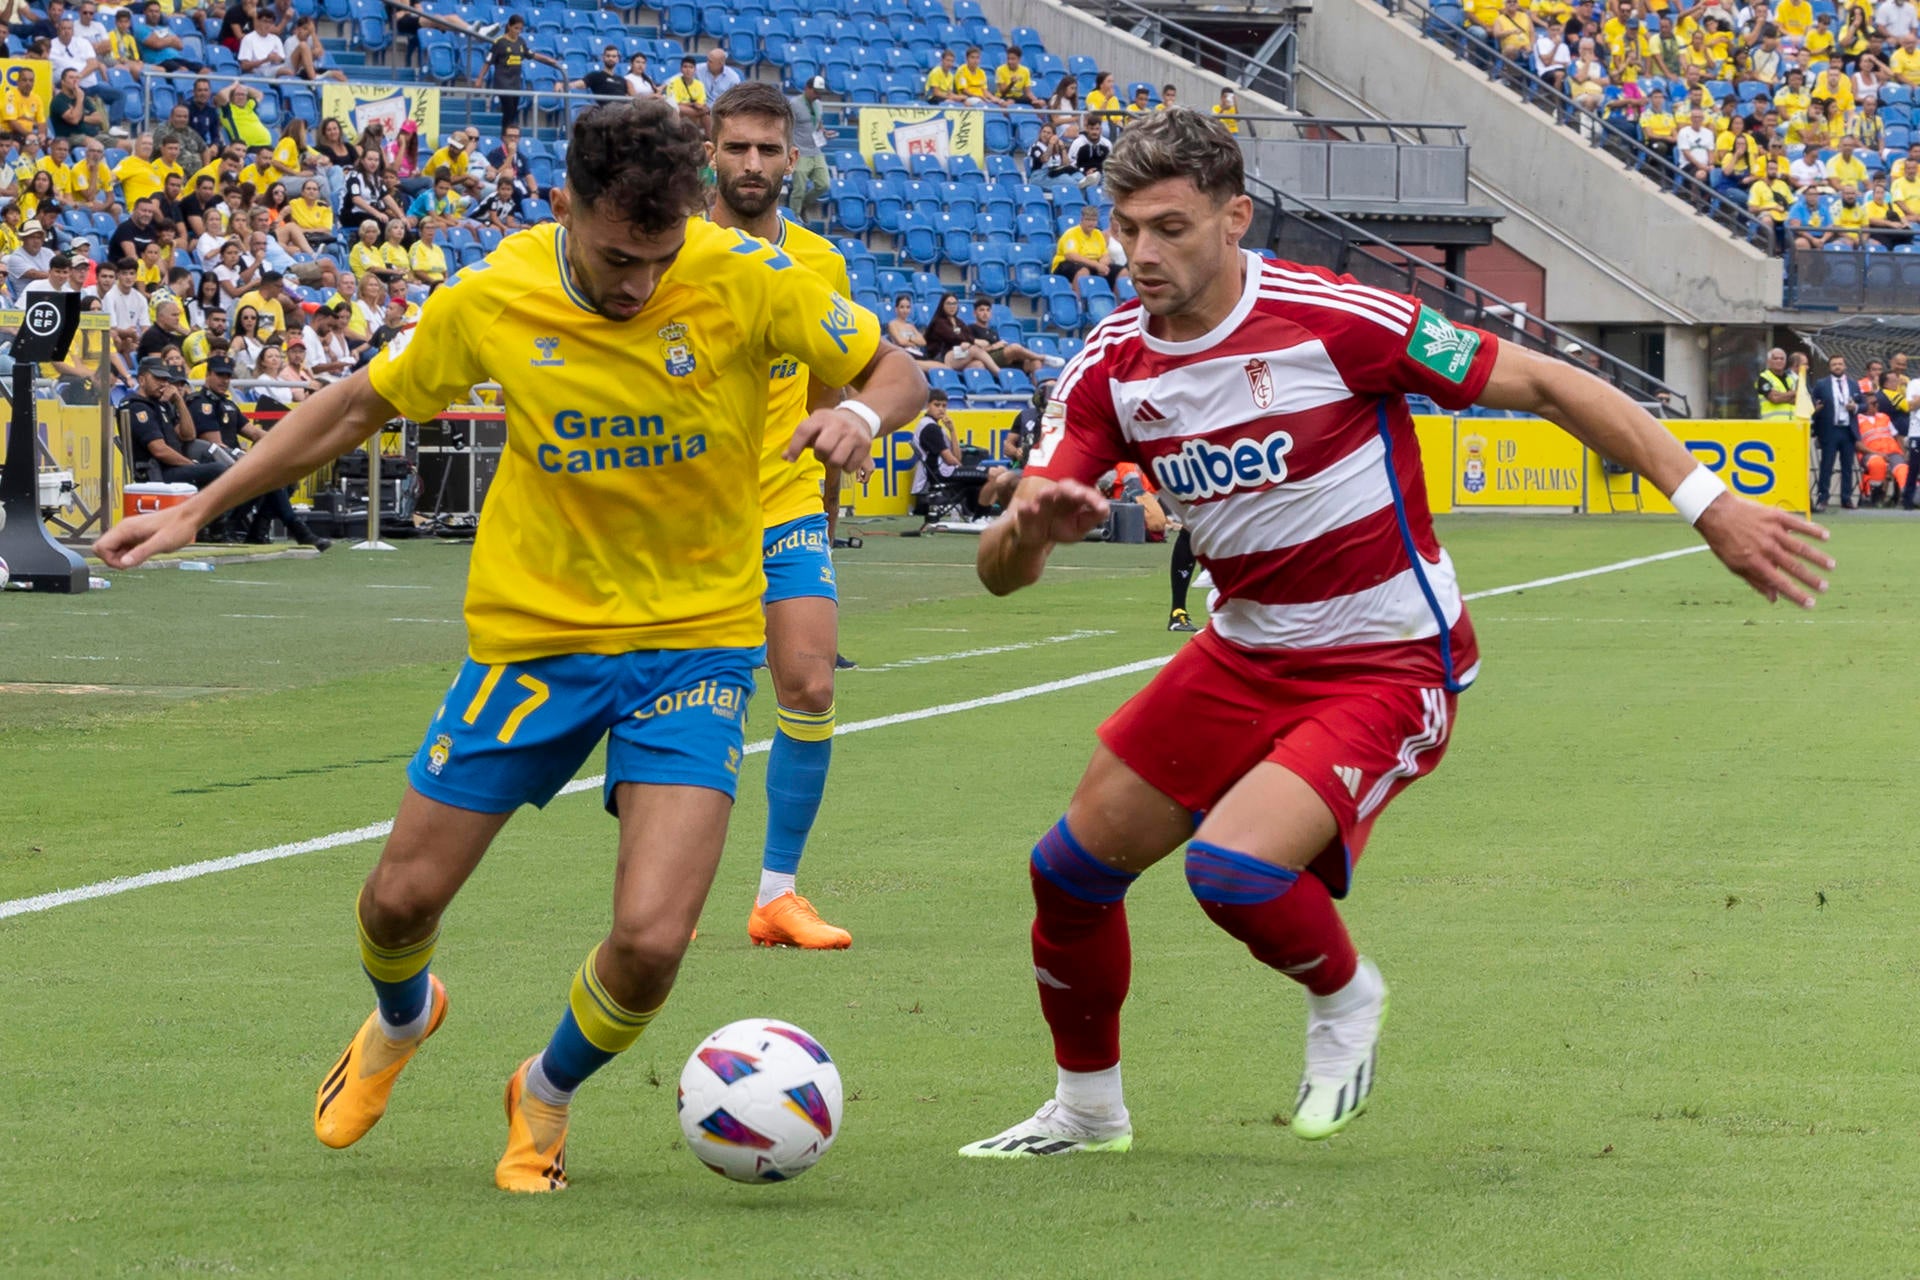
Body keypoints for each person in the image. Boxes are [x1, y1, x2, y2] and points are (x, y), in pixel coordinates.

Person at [959, 108, 1831, 1161]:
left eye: (1171, 227)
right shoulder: (1108, 366)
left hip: (1388, 656)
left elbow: (1550, 381)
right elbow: (1001, 575)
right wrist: (1026, 533)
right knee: (1069, 871)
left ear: (1235, 218)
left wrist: (1709, 505)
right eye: (1127, 225)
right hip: (1245, 648)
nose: (1140, 253)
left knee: (1234, 874)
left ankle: (1345, 999)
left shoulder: (1336, 318)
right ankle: (1087, 1110)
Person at [94, 95, 925, 1195]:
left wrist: (861, 418)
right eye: (620, 255)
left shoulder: (745, 276)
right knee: (398, 903)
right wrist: (200, 509)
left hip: (692, 647)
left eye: (661, 254)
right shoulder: (492, 297)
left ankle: (545, 1089)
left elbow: (898, 369)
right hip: (534, 642)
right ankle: (404, 1016)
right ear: (566, 207)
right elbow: (355, 406)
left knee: (652, 940)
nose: (639, 283)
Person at [704, 80, 879, 947]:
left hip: (786, 507)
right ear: (711, 149)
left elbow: (831, 395)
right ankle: (662, 895)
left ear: (792, 158)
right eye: (737, 147)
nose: (753, 164)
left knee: (809, 685)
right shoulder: (676, 252)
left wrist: (828, 508)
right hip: (689, 520)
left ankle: (777, 894)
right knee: (690, 706)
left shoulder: (820, 266)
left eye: (769, 150)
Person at [185, 353, 332, 549]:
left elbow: (253, 432)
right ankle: (295, 528)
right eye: (220, 375)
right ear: (208, 375)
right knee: (267, 476)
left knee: (285, 477)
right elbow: (215, 446)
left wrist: (283, 444)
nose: (224, 380)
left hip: (235, 464)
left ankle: (257, 531)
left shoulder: (227, 403)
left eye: (228, 376)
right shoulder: (201, 404)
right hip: (218, 466)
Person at [124, 357, 228, 492]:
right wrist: (190, 465)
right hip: (156, 473)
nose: (163, 384)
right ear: (142, 380)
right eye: (157, 378)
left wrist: (179, 401)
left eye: (165, 379)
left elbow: (188, 435)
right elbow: (160, 451)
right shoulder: (137, 407)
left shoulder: (161, 404)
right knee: (219, 470)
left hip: (172, 468)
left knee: (223, 467)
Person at [1809, 352, 1862, 512]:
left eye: (1840, 364)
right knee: (1827, 465)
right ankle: (1822, 498)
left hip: (1847, 429)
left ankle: (1846, 498)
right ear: (1829, 367)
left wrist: (1856, 407)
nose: (1837, 367)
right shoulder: (1821, 384)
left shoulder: (1853, 384)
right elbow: (1812, 404)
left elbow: (1864, 405)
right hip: (1829, 430)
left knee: (1847, 466)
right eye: (1834, 364)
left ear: (1845, 366)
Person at [967, 296, 1053, 375]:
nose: (985, 313)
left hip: (1001, 362)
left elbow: (999, 349)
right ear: (975, 313)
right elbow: (971, 353)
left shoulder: (993, 332)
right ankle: (1043, 357)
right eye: (981, 310)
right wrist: (993, 347)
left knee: (1035, 362)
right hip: (987, 360)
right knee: (1014, 348)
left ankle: (1038, 391)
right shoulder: (970, 329)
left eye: (988, 310)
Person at [786, 77, 830, 220]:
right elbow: (786, 125)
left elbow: (818, 122)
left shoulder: (818, 104)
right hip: (800, 151)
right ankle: (794, 217)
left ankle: (804, 204)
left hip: (816, 150)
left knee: (824, 184)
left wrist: (824, 131)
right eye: (816, 91)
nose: (818, 95)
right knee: (799, 188)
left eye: (820, 92)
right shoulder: (794, 104)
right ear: (807, 88)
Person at [925, 292, 998, 372]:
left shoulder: (959, 322)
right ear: (942, 305)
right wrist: (973, 341)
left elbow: (967, 334)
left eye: (954, 304)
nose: (952, 307)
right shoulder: (939, 322)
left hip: (958, 355)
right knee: (974, 349)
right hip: (941, 356)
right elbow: (952, 336)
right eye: (948, 304)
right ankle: (999, 373)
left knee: (978, 364)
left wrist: (968, 342)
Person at [1053, 203, 1114, 296]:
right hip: (1065, 265)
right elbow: (1071, 256)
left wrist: (1102, 265)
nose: (1091, 223)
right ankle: (1079, 302)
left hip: (1093, 265)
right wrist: (1096, 265)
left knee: (1120, 270)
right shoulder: (1071, 233)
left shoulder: (1098, 234)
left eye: (1094, 220)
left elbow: (1105, 254)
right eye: (1088, 219)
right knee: (1083, 270)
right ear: (1081, 220)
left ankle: (1122, 303)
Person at [663, 55, 709, 131]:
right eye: (685, 67)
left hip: (693, 110)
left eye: (691, 67)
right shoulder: (673, 83)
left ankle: (710, 139)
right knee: (703, 111)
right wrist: (693, 104)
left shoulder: (700, 84)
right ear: (681, 69)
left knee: (706, 116)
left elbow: (700, 103)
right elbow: (674, 103)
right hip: (679, 110)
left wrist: (697, 106)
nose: (688, 70)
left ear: (695, 70)